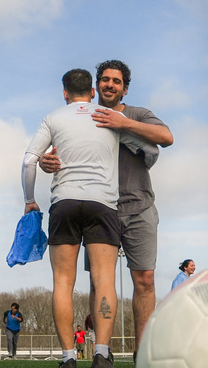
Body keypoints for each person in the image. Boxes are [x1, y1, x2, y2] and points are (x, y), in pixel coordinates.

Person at [22, 68, 156, 368]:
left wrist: (30, 199)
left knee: (63, 283)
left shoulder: (53, 117)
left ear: (65, 93)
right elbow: (150, 150)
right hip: (103, 205)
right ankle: (101, 354)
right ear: (92, 92)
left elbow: (30, 160)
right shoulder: (108, 117)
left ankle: (69, 357)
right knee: (105, 279)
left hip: (64, 202)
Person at [41, 60, 173, 352]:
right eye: (105, 80)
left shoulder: (138, 114)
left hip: (138, 207)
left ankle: (143, 354)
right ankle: (103, 352)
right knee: (99, 282)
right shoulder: (79, 117)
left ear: (125, 89)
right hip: (101, 209)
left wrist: (123, 122)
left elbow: (166, 138)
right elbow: (54, 153)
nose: (110, 85)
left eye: (116, 81)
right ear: (95, 85)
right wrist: (44, 161)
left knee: (145, 280)